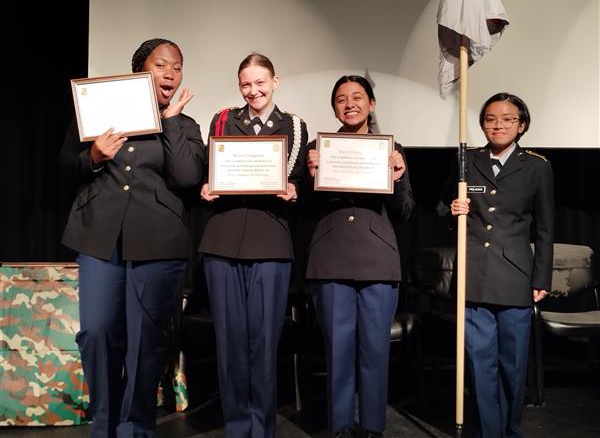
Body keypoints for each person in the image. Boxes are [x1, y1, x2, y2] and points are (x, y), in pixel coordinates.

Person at [60, 38, 205, 438]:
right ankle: (103, 423)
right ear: (140, 70)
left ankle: (135, 428)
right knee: (96, 331)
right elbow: (65, 163)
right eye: (162, 65)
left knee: (147, 340)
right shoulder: (97, 111)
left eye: (177, 67)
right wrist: (93, 157)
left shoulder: (186, 125)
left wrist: (173, 120)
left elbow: (188, 177)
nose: (171, 73)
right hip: (99, 236)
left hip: (158, 241)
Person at [198, 53, 308, 438]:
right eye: (246, 84)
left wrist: (294, 189)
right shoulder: (223, 119)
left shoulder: (293, 125)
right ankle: (237, 428)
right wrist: (206, 184)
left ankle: (263, 429)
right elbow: (211, 166)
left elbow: (295, 176)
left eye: (260, 83)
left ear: (275, 81)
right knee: (229, 341)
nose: (253, 91)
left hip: (271, 241)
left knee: (264, 342)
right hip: (223, 239)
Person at [305, 75, 415, 438]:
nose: (349, 103)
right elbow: (302, 209)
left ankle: (372, 428)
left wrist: (397, 176)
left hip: (377, 262)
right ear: (333, 107)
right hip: (331, 259)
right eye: (341, 99)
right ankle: (339, 427)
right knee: (337, 352)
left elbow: (404, 211)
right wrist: (310, 175)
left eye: (357, 97)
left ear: (371, 104)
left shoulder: (391, 148)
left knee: (374, 353)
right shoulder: (317, 148)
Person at [447, 93, 554, 438]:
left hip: (515, 278)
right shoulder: (467, 160)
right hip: (473, 276)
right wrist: (452, 210)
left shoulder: (537, 166)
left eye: (508, 119)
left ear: (521, 125)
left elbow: (545, 227)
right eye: (491, 118)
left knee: (512, 365)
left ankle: (512, 430)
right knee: (481, 366)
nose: (498, 125)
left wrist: (542, 277)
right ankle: (489, 432)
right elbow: (440, 208)